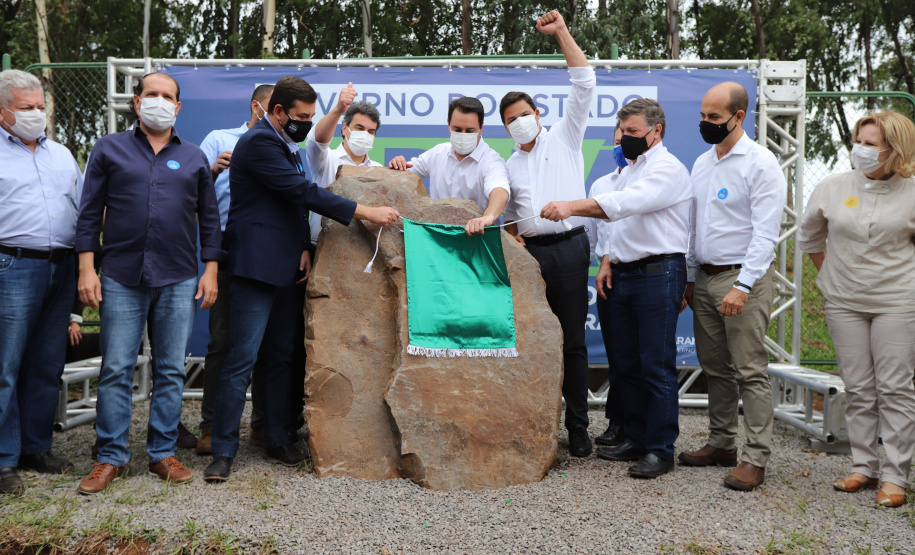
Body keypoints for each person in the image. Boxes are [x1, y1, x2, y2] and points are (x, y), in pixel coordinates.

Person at [204, 76, 400, 483]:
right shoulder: (258, 142)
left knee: (281, 358)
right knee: (242, 359)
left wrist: (303, 249)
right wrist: (365, 211)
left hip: (289, 267)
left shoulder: (285, 145)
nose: (306, 124)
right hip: (256, 267)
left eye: (311, 117)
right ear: (277, 112)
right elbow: (301, 193)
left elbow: (289, 208)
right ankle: (223, 450)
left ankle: (277, 438)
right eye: (301, 117)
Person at [75, 72, 224, 495]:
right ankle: (109, 457)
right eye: (151, 94)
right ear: (137, 101)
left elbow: (210, 221)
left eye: (168, 96)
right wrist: (87, 268)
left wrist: (210, 269)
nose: (159, 101)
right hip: (120, 275)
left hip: (178, 276)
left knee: (171, 368)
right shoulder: (109, 149)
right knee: (117, 367)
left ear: (178, 107)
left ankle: (162, 452)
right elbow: (88, 214)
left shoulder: (193, 157)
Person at [540, 98, 691, 478]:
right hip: (624, 273)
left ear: (656, 132)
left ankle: (660, 448)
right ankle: (636, 437)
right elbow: (618, 228)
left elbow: (627, 205)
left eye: (634, 132)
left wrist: (572, 206)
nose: (625, 138)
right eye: (622, 131)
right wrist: (609, 260)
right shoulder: (631, 169)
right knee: (629, 364)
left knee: (655, 366)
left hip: (658, 273)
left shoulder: (667, 169)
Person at [798, 111, 915, 508]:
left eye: (872, 144)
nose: (861, 150)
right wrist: (830, 276)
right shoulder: (833, 186)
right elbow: (811, 236)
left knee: (896, 389)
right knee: (859, 388)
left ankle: (896, 475)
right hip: (844, 301)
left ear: (895, 151)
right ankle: (864, 467)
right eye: (859, 141)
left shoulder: (912, 190)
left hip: (897, 301)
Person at [679, 82, 786, 491]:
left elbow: (765, 233)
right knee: (715, 369)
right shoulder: (703, 162)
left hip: (742, 277)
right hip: (705, 276)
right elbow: (694, 228)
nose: (706, 124)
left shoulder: (761, 163)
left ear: (739, 117)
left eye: (714, 118)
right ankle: (722, 444)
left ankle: (755, 458)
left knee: (749, 370)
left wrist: (742, 286)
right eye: (703, 116)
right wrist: (690, 278)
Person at [499, 9, 595, 457]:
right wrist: (514, 235)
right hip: (530, 256)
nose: (520, 123)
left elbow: (584, 82)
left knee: (573, 341)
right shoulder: (507, 164)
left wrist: (561, 33)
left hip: (570, 251)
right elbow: (512, 215)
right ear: (505, 129)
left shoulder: (565, 137)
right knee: (529, 340)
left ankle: (578, 427)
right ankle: (535, 426)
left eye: (525, 114)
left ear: (538, 114)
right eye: (511, 120)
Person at [0, 69, 82, 495]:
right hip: (11, 265)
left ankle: (35, 446)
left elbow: (83, 211)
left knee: (46, 364)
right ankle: (3, 459)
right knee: (6, 366)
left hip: (62, 266)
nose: (36, 114)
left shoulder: (62, 155)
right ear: (2, 111)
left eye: (40, 106)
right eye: (25, 107)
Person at [195, 84, 275, 456]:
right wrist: (213, 169)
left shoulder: (287, 145)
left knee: (267, 343)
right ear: (259, 106)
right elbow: (190, 191)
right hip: (226, 246)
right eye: (280, 108)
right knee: (223, 339)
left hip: (268, 249)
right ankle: (211, 426)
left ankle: (261, 425)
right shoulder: (219, 138)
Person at [388, 96, 509, 235]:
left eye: (469, 131)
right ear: (448, 124)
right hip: (437, 238)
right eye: (457, 129)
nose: (463, 135)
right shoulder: (438, 152)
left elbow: (500, 191)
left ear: (481, 128)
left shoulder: (491, 160)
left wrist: (488, 217)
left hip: (476, 238)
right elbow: (406, 171)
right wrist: (398, 164)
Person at [306, 84, 384, 245]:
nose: (365, 135)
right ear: (344, 129)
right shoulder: (325, 160)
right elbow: (316, 141)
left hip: (360, 252)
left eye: (371, 132)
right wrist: (338, 109)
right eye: (359, 128)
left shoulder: (378, 170)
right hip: (320, 247)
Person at [591, 127, 625, 449]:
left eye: (627, 138)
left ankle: (643, 427)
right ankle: (617, 423)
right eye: (617, 140)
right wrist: (604, 259)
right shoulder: (601, 185)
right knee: (617, 356)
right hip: (608, 279)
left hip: (646, 276)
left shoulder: (659, 179)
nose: (621, 145)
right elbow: (594, 237)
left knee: (644, 358)